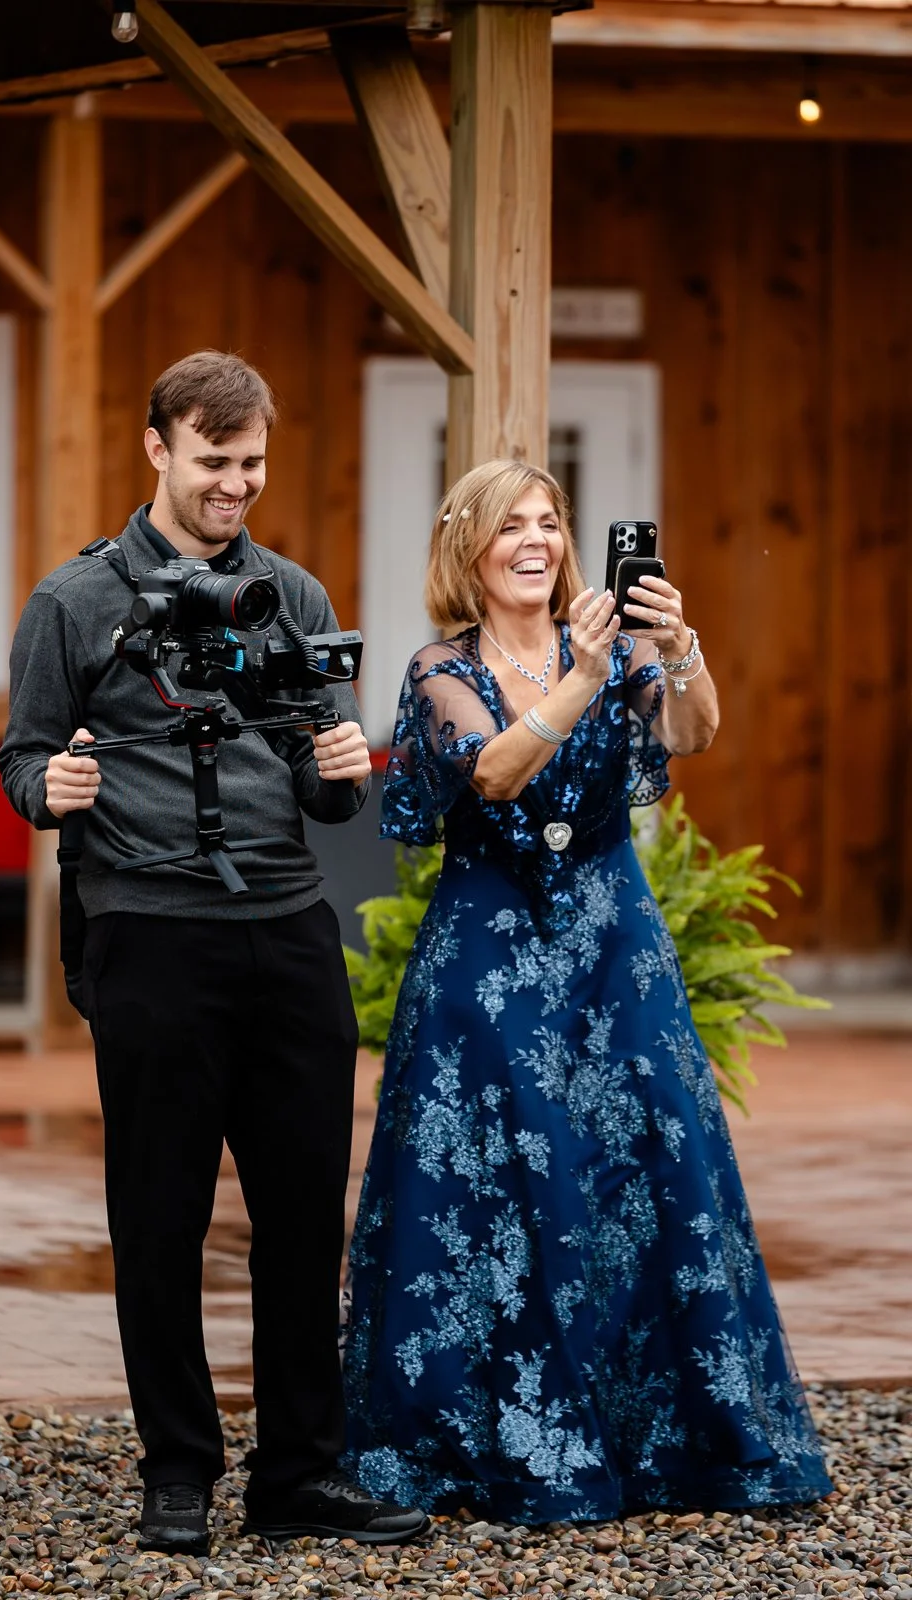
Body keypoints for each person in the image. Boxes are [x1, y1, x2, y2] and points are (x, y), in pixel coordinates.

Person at [341, 459, 832, 1524]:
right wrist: (587, 674)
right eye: (509, 524)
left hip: (615, 947)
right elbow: (493, 772)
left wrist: (678, 647)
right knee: (498, 1181)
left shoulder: (614, 646)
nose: (535, 541)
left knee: (644, 1163)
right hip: (488, 954)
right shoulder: (440, 666)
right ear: (468, 546)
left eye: (549, 522)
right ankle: (495, 1440)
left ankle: (658, 1435)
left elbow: (690, 732)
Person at [0, 351, 428, 1555]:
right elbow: (23, 756)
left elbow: (327, 788)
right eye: (213, 461)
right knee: (159, 1215)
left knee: (303, 1214)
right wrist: (51, 785)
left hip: (289, 933)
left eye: (252, 464)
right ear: (157, 448)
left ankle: (299, 1476)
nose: (235, 484)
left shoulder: (291, 593)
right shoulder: (72, 601)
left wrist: (340, 773)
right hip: (148, 933)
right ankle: (178, 1471)